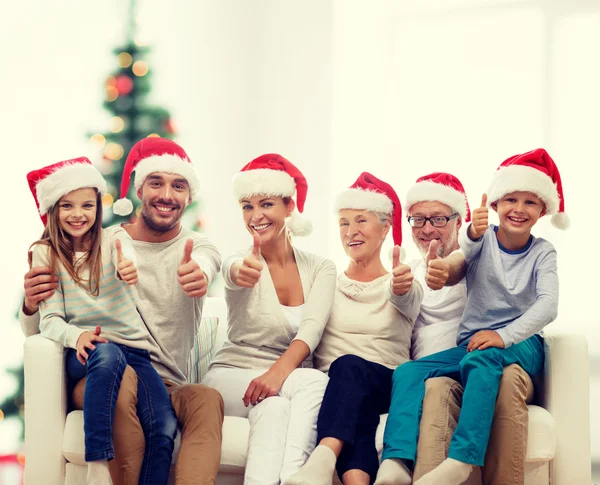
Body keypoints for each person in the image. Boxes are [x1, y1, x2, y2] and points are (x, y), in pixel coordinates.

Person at [21, 138, 224, 485]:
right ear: (138, 187)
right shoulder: (103, 242)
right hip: (103, 371)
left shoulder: (197, 247)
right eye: (156, 182)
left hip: (163, 378)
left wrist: (200, 274)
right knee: (123, 378)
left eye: (179, 186)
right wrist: (29, 304)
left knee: (207, 398)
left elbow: (207, 263)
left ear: (189, 196)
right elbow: (41, 326)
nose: (167, 195)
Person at [376, 149, 567, 485]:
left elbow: (547, 306)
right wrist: (441, 271)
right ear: (494, 205)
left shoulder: (542, 252)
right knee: (408, 372)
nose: (519, 209)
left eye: (530, 202)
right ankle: (396, 461)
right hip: (475, 346)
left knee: (482, 358)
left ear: (542, 211)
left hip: (522, 344)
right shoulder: (480, 239)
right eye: (510, 199)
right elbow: (458, 260)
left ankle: (462, 458)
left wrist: (503, 335)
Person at [201, 153, 337, 485]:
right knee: (315, 382)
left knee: (275, 410)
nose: (256, 215)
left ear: (289, 207)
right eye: (247, 206)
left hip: (280, 384)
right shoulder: (239, 259)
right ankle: (297, 478)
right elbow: (233, 273)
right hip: (232, 376)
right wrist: (240, 272)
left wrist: (276, 376)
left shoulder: (321, 267)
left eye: (266, 204)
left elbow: (312, 328)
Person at [284, 172, 423, 485]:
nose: (351, 231)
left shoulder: (401, 281)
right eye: (344, 223)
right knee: (352, 399)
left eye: (362, 220)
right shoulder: (325, 281)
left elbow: (408, 298)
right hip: (336, 389)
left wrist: (401, 286)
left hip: (386, 384)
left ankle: (324, 457)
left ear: (385, 227)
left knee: (347, 367)